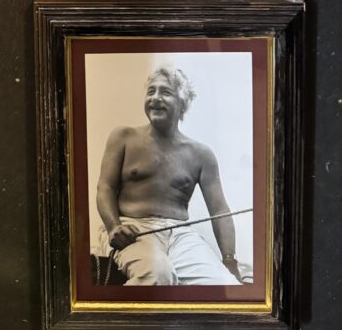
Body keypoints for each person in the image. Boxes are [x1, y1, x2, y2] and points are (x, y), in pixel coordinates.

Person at [95, 66, 242, 286]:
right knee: (158, 275)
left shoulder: (201, 153)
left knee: (225, 285)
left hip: (180, 235)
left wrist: (229, 261)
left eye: (165, 92)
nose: (155, 98)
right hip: (133, 229)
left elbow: (220, 210)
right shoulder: (123, 137)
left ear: (183, 103)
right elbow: (104, 188)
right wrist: (114, 227)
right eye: (151, 91)